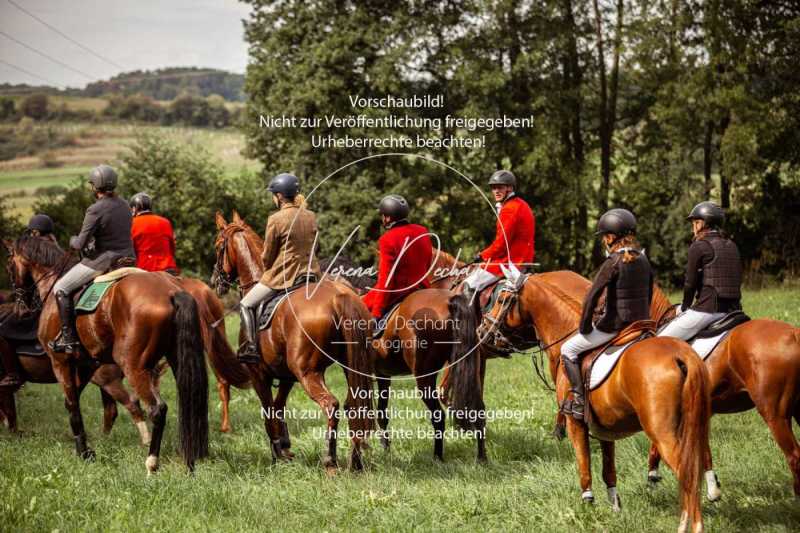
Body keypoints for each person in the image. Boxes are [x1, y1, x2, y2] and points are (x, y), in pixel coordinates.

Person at [560, 208, 653, 421]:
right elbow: (649, 294)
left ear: (611, 237)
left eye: (604, 237)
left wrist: (585, 327)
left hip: (615, 327)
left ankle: (578, 399)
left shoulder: (612, 262)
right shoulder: (644, 260)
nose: (604, 241)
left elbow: (591, 297)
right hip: (641, 326)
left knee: (568, 349)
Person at [50, 165, 136, 354]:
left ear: (95, 186)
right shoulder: (124, 204)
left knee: (61, 288)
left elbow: (80, 244)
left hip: (103, 261)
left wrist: (72, 240)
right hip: (129, 259)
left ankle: (68, 337)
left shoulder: (95, 209)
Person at [237, 173, 321, 363]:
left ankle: (250, 347)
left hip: (285, 277)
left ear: (280, 196)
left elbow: (267, 255)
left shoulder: (276, 219)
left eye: (273, 194)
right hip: (311, 274)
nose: (273, 197)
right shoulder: (310, 216)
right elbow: (315, 246)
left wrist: (266, 268)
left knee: (245, 304)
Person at [658, 201, 742, 340]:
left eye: (696, 223)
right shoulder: (732, 245)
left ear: (705, 223)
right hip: (734, 310)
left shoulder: (699, 246)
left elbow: (690, 284)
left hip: (708, 310)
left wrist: (685, 307)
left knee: (658, 341)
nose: (693, 228)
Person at [0, 214, 57, 388]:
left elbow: (28, 286)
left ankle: (12, 374)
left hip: (41, 311)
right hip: (54, 305)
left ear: (34, 232)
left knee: (2, 329)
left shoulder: (34, 253)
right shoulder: (55, 248)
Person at [463, 169, 535, 301]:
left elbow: (501, 245)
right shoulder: (521, 204)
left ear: (510, 188)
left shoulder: (509, 209)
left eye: (500, 187)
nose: (496, 191)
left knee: (468, 285)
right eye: (493, 188)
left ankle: (470, 322)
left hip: (510, 262)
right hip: (524, 259)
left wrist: (482, 255)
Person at [362, 195, 433, 320]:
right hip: (423, 288)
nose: (382, 218)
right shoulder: (422, 231)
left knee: (359, 307)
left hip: (399, 292)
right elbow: (428, 264)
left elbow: (386, 280)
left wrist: (376, 313)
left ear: (388, 218)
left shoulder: (387, 239)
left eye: (383, 215)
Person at [130, 192, 179, 274]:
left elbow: (131, 251)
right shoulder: (165, 222)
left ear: (134, 209)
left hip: (145, 268)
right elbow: (172, 248)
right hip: (168, 268)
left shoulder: (132, 223)